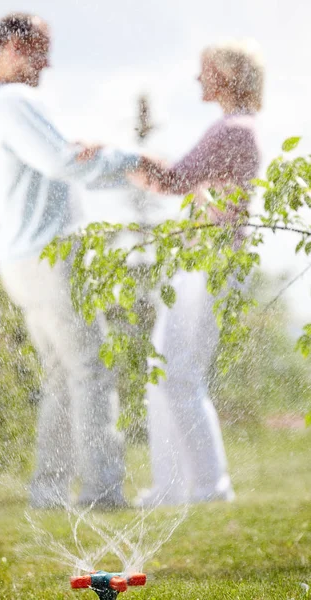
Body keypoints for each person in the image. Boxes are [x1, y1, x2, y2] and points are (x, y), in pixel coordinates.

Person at [0, 13, 141, 509]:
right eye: (40, 48)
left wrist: (88, 154)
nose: (48, 61)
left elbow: (62, 158)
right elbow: (63, 163)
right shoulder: (17, 101)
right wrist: (132, 161)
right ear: (12, 48)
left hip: (25, 260)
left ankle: (48, 492)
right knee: (90, 369)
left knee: (63, 376)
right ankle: (104, 491)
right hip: (48, 260)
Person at [130, 39, 264, 506]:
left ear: (226, 74)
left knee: (179, 373)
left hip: (213, 262)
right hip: (199, 262)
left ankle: (210, 487)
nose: (196, 78)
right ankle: (169, 488)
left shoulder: (232, 130)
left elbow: (172, 181)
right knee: (161, 370)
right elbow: (185, 177)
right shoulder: (233, 128)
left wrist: (121, 161)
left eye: (204, 70)